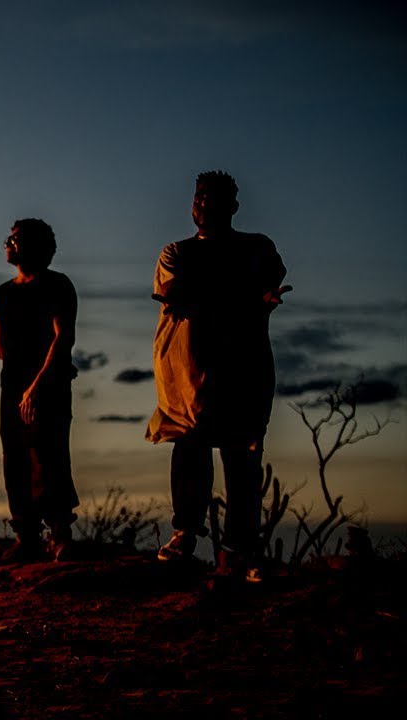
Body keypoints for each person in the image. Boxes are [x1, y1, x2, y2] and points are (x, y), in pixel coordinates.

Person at [148, 171, 290, 574]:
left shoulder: (258, 248)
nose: (203, 204)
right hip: (190, 372)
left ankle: (238, 553)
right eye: (199, 196)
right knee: (191, 450)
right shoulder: (176, 252)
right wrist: (246, 298)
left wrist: (251, 298)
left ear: (233, 205)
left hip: (246, 369)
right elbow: (176, 295)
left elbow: (270, 281)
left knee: (243, 457)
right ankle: (185, 534)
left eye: (213, 197)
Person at [0, 219, 80, 562]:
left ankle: (60, 534)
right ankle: (26, 536)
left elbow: (64, 336)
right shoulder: (4, 292)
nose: (8, 244)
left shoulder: (56, 285)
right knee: (14, 456)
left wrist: (37, 386)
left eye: (15, 239)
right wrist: (19, 383)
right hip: (12, 382)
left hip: (49, 381)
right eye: (8, 239)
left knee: (50, 454)